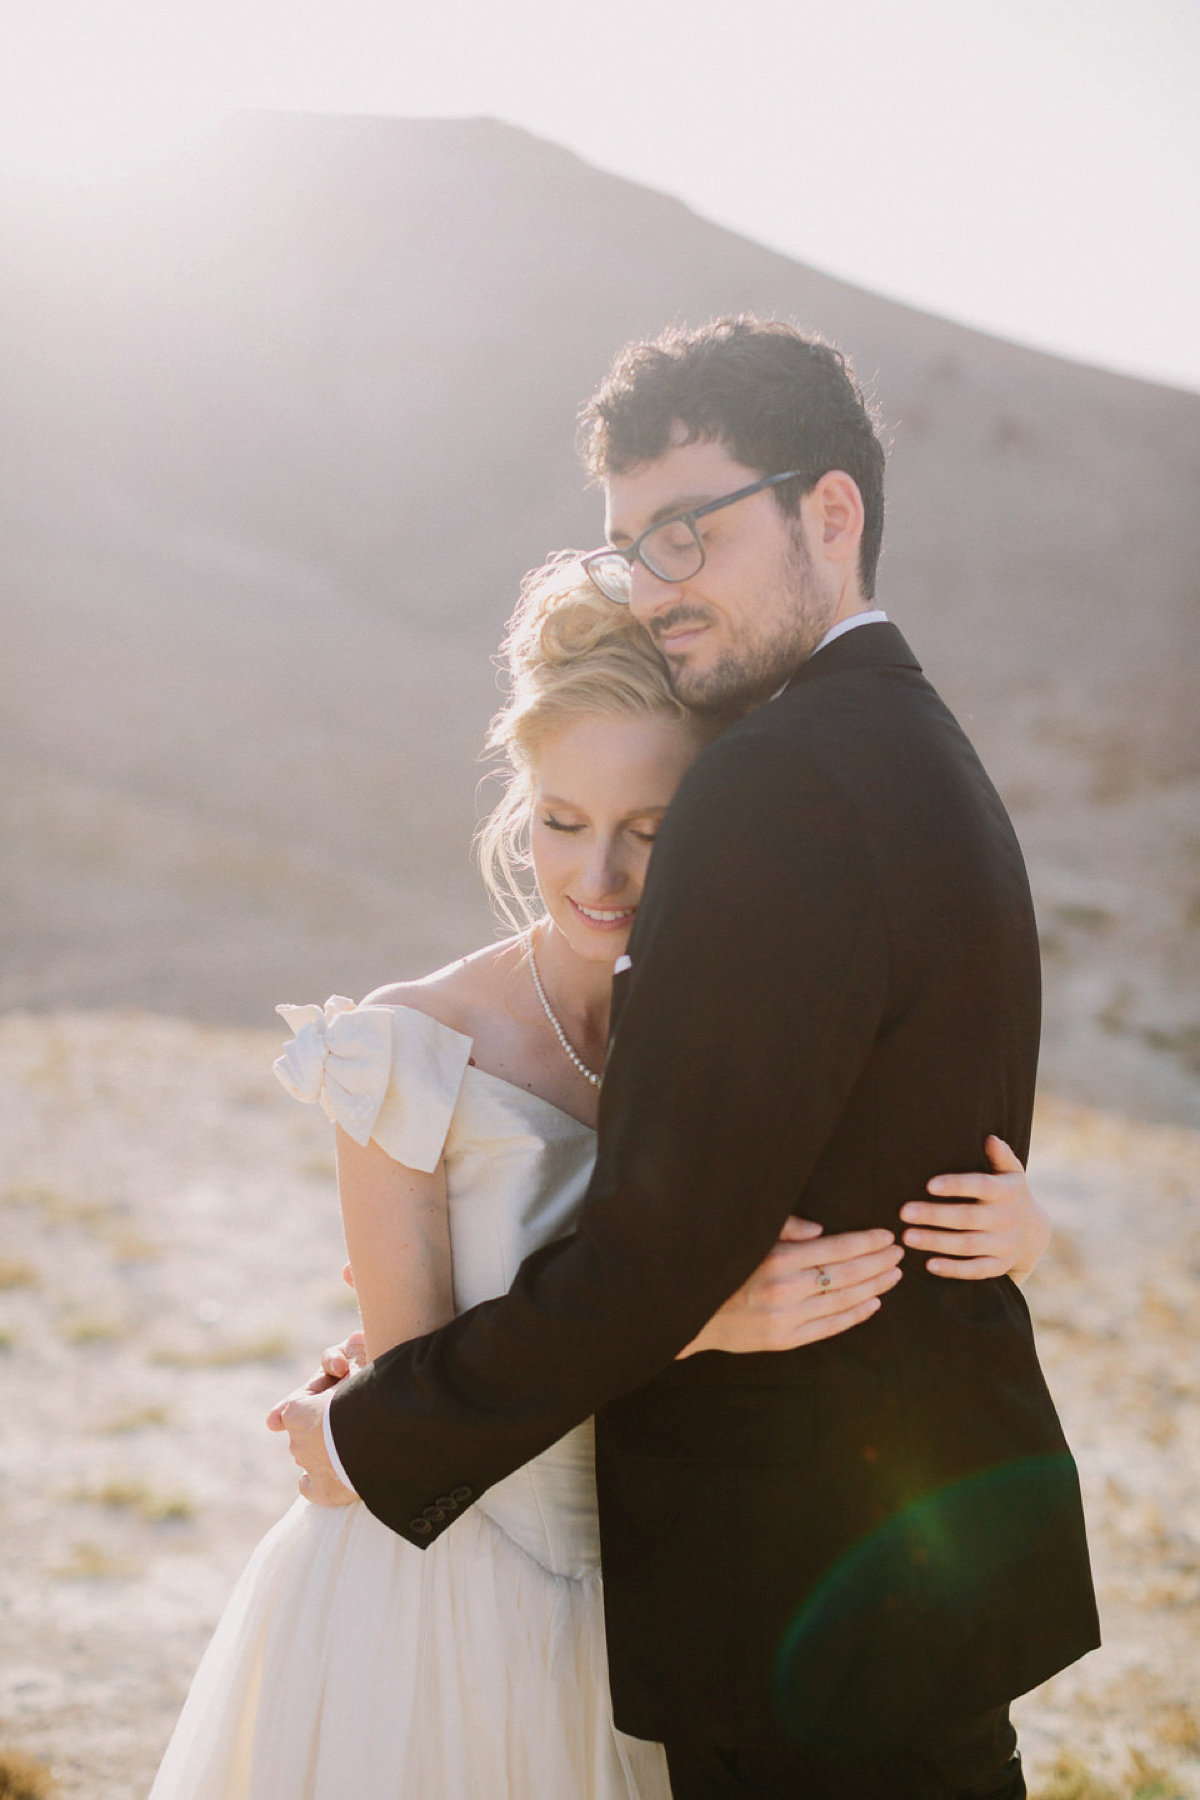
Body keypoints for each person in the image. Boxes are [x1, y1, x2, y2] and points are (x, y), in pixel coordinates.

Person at [282, 318, 1100, 1798]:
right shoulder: (924, 748)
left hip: (796, 1592)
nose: (654, 587)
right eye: (625, 547)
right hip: (917, 1566)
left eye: (686, 533)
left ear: (828, 511)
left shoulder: (778, 781)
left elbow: (664, 1252)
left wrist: (376, 1431)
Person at [149, 558, 1050, 1800]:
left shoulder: (743, 1034)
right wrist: (689, 1324)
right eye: (561, 821)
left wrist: (1017, 1227)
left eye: (652, 831)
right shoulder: (408, 1047)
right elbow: (422, 1398)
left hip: (675, 1588)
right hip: (452, 1591)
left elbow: (892, 1180)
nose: (598, 879)